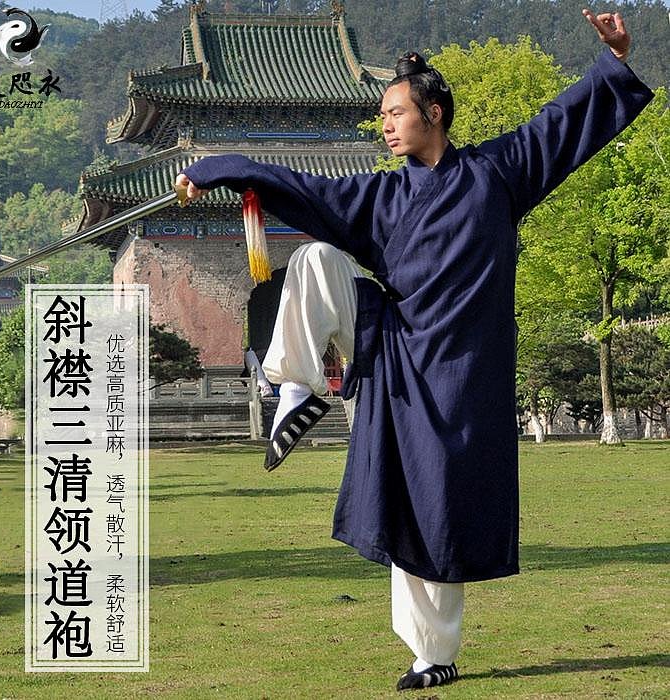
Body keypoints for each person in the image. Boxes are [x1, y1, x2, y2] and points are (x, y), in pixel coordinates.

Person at [176, 10, 653, 691]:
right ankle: (296, 389)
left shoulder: (498, 173)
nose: (386, 125)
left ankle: (434, 654)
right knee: (314, 258)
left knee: (432, 509)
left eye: (396, 112)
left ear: (435, 113)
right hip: (394, 349)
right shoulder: (382, 196)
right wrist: (220, 169)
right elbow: (304, 190)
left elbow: (563, 125)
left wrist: (614, 62)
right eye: (382, 115)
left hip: (465, 377)